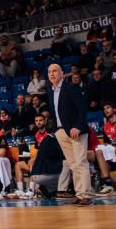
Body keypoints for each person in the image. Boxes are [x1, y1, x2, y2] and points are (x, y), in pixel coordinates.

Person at [47, 63, 93, 205]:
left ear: (62, 73)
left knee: (81, 162)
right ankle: (79, 194)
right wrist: (55, 129)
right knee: (73, 164)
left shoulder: (71, 87)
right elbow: (55, 112)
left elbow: (82, 108)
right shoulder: (51, 91)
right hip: (61, 132)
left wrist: (78, 126)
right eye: (49, 72)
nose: (52, 74)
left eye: (55, 71)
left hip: (75, 130)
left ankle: (86, 194)